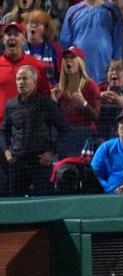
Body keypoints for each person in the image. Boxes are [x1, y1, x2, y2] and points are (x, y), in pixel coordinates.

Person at [1, 64, 69, 196]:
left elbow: (65, 129)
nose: (21, 82)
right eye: (18, 79)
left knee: (41, 204)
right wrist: (6, 151)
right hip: (17, 163)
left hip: (40, 163)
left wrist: (51, 152)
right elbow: (3, 131)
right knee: (16, 204)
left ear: (34, 82)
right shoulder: (11, 105)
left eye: (25, 79)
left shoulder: (46, 104)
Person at [59, 0, 123, 83]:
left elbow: (119, 44)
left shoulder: (113, 11)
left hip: (105, 74)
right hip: (78, 75)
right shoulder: (72, 11)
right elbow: (65, 44)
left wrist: (116, 68)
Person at [51, 46, 100, 157]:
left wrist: (84, 103)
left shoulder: (90, 86)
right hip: (65, 135)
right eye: (66, 58)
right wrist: (54, 103)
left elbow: (96, 117)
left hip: (85, 134)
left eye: (72, 58)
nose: (68, 61)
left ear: (80, 62)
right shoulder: (59, 89)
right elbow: (54, 120)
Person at [0, 21, 50, 123]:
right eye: (9, 34)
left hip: (27, 128)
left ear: (23, 39)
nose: (12, 37)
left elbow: (45, 96)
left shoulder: (37, 65)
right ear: (3, 40)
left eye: (16, 34)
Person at [22, 9, 63, 85]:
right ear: (25, 26)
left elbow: (62, 76)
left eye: (38, 24)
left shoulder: (55, 48)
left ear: (45, 29)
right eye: (31, 23)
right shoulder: (19, 47)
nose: (33, 26)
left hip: (49, 93)